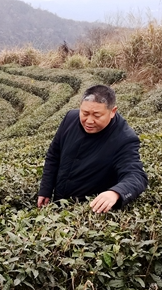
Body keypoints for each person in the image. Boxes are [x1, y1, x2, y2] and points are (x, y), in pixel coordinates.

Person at [38, 84, 148, 213]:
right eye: (85, 113)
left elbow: (136, 175)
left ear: (112, 111)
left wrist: (116, 193)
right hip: (57, 202)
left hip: (85, 211)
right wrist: (46, 189)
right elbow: (54, 155)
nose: (89, 121)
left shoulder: (124, 138)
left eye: (96, 115)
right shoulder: (70, 118)